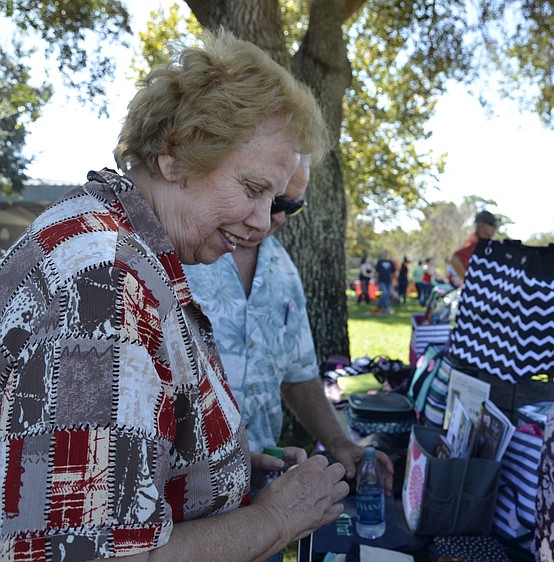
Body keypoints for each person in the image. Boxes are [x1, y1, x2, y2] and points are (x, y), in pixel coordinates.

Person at [0, 31, 349, 559]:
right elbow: (93, 553)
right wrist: (277, 519)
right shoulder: (104, 285)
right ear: (176, 156)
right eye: (252, 189)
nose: (262, 220)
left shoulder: (122, 242)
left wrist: (212, 465)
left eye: (274, 200)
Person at [184, 159, 394, 487]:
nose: (278, 217)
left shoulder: (282, 268)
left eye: (291, 207)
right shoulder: (179, 254)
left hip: (259, 490)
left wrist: (341, 445)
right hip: (181, 499)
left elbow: (299, 375)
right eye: (272, 200)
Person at [450, 209, 498, 282]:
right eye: (491, 224)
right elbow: (455, 259)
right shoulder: (475, 242)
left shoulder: (487, 243)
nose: (494, 228)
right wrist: (469, 281)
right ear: (480, 224)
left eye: (495, 226)